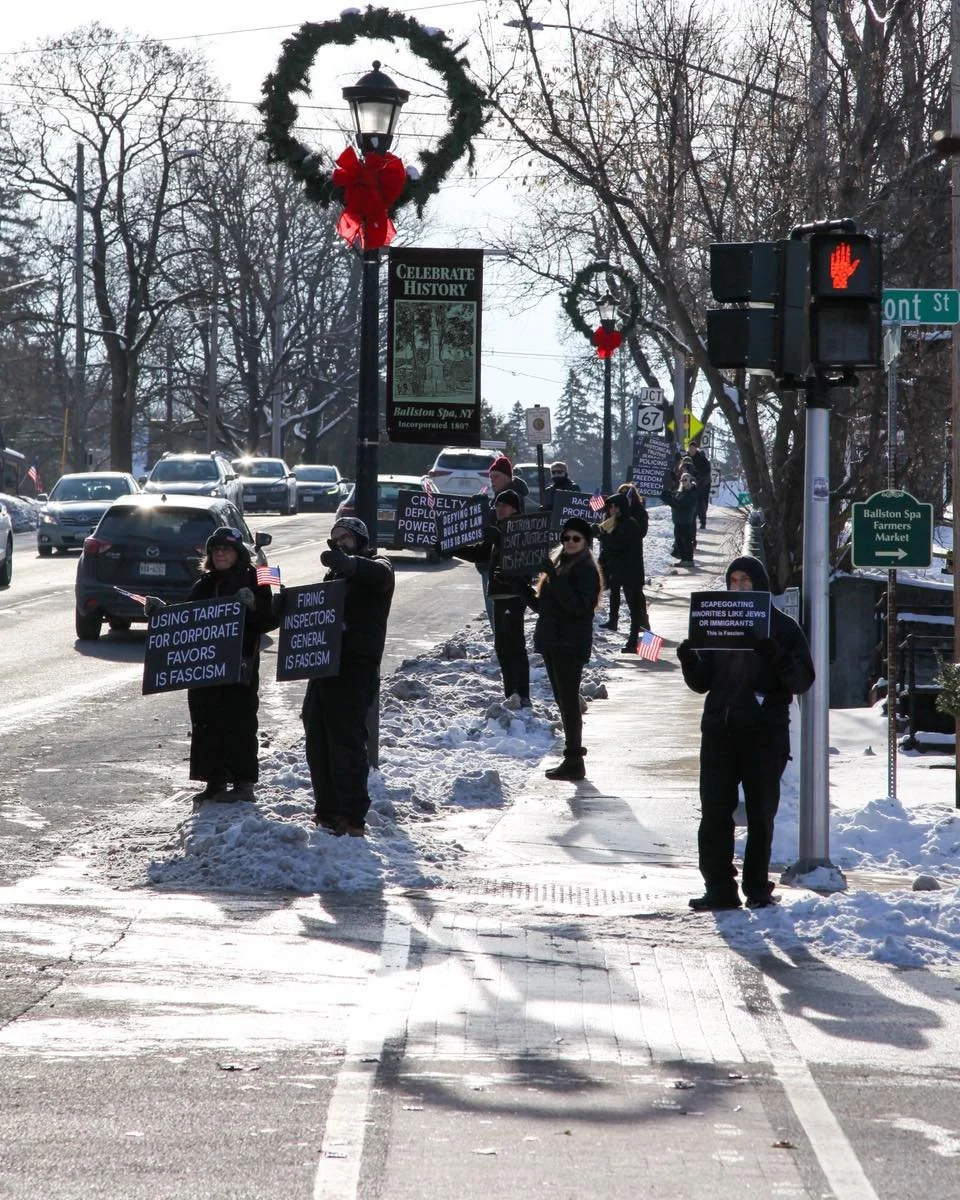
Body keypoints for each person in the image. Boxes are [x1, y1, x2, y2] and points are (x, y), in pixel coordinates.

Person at [676, 555, 815, 911]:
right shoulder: (718, 624)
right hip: (719, 730)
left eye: (746, 581)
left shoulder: (782, 627)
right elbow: (703, 683)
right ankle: (719, 887)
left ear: (759, 584)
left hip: (764, 733)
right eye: (733, 581)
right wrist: (690, 661)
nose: (738, 587)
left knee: (761, 813)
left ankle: (757, 886)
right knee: (714, 811)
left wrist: (776, 655)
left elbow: (802, 680)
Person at [144, 526, 279, 803]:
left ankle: (243, 784)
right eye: (215, 550)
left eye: (226, 549)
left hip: (239, 665)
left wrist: (253, 605)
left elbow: (272, 617)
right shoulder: (204, 583)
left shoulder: (256, 576)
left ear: (238, 553)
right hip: (205, 667)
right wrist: (161, 612)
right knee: (206, 721)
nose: (220, 554)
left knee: (239, 722)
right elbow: (188, 619)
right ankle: (213, 781)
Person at [301, 516, 395, 836]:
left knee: (346, 741)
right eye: (336, 538)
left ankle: (352, 816)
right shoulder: (333, 575)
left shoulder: (377, 565)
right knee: (317, 737)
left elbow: (378, 574)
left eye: (346, 537)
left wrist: (350, 563)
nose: (340, 542)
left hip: (355, 666)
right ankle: (326, 809)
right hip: (323, 664)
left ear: (360, 540)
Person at [526, 516, 603, 781]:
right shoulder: (561, 564)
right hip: (553, 640)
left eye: (576, 538)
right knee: (562, 700)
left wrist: (553, 577)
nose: (570, 542)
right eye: (566, 537)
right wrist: (522, 589)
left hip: (570, 643)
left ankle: (574, 760)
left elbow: (577, 607)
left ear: (586, 542)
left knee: (569, 701)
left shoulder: (586, 570)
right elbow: (545, 607)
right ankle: (571, 758)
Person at [448, 489, 531, 706]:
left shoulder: (521, 528)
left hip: (514, 594)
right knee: (502, 647)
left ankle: (522, 694)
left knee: (514, 645)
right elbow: (480, 553)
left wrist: (498, 537)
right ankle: (510, 693)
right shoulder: (497, 529)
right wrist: (451, 549)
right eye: (497, 505)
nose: (500, 509)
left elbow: (519, 552)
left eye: (504, 505)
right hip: (498, 594)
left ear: (515, 508)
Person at [476, 456, 530, 623]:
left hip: (502, 565)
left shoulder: (512, 496)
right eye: (490, 477)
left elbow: (502, 524)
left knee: (499, 618)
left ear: (508, 477)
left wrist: (483, 511)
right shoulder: (497, 497)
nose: (492, 481)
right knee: (495, 616)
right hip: (490, 560)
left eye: (496, 476)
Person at [595, 490, 649, 652]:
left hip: (632, 571)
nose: (612, 510)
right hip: (619, 570)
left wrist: (602, 536)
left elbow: (618, 544)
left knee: (634, 609)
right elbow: (608, 547)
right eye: (610, 507)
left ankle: (634, 642)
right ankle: (622, 629)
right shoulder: (614, 522)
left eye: (615, 507)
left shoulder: (629, 523)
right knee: (622, 600)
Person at [661, 472, 698, 565]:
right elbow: (675, 502)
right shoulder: (681, 491)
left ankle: (688, 560)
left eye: (685, 480)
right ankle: (684, 559)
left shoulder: (692, 493)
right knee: (678, 540)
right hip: (678, 520)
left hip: (685, 521)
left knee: (685, 540)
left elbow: (680, 504)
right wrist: (667, 496)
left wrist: (669, 498)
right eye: (682, 480)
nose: (683, 482)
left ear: (690, 481)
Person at [688, 437, 712, 530]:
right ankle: (691, 520)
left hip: (704, 483)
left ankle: (703, 521)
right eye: (690, 448)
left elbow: (707, 470)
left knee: (702, 502)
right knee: (692, 502)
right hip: (692, 483)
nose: (691, 450)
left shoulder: (701, 458)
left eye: (693, 448)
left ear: (696, 449)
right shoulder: (687, 458)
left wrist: (700, 479)